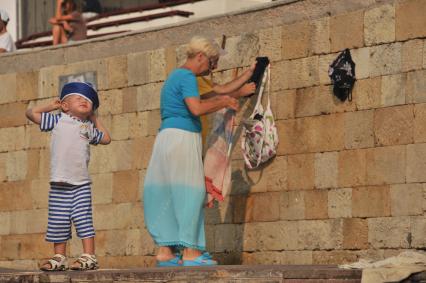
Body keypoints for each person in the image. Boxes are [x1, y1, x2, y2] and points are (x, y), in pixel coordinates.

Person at [143, 36, 256, 267]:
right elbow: (196, 108)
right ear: (201, 56)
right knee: (191, 192)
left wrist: (244, 77)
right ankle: (191, 252)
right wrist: (224, 102)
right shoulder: (187, 76)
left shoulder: (175, 76)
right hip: (183, 137)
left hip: (166, 138)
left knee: (169, 193)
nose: (212, 67)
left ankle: (165, 252)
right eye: (212, 61)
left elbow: (216, 91)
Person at [25, 82, 111, 271]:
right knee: (58, 220)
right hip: (59, 184)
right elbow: (31, 113)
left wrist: (94, 118)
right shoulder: (57, 120)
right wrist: (51, 106)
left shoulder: (87, 128)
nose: (84, 101)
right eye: (79, 98)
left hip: (81, 184)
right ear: (65, 105)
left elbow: (106, 138)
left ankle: (89, 256)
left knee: (83, 219)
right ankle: (59, 257)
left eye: (88, 101)